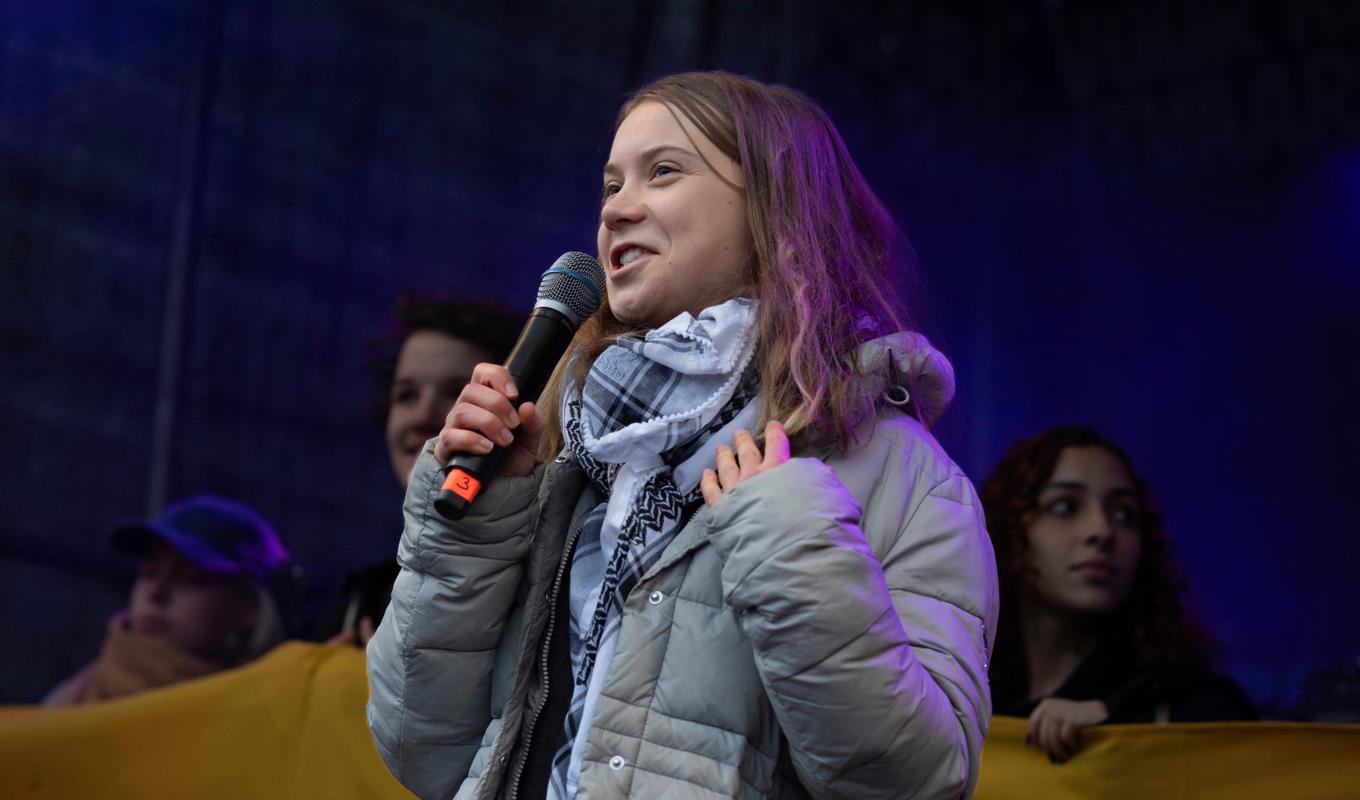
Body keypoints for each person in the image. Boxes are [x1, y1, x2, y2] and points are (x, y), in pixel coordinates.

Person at [366, 71, 998, 800]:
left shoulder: (900, 473)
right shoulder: (565, 447)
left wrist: (790, 550)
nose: (616, 212)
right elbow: (420, 749)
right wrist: (470, 539)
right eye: (610, 187)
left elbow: (918, 784)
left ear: (777, 210)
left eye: (663, 172)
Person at [979, 426, 1255, 762]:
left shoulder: (1195, 707)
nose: (1102, 530)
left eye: (1124, 514)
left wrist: (1124, 735)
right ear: (1008, 533)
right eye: (1065, 506)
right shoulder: (971, 710)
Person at [318, 292, 523, 645]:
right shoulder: (358, 602)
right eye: (407, 395)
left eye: (456, 392)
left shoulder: (544, 576)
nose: (423, 416)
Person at [45, 495, 289, 707]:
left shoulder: (274, 710)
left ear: (249, 606)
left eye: (191, 578)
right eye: (148, 573)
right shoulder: (68, 701)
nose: (156, 593)